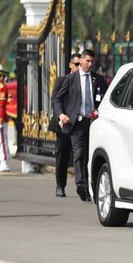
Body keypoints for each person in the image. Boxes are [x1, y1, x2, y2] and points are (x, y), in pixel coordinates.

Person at [52, 49, 108, 202]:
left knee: (91, 155)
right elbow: (57, 99)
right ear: (81, 61)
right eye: (87, 61)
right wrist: (61, 115)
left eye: (92, 61)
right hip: (75, 122)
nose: (89, 64)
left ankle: (92, 186)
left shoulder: (98, 80)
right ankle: (80, 185)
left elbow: (107, 98)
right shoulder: (70, 79)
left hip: (94, 123)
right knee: (79, 153)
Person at [49, 53, 80, 197]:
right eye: (77, 64)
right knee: (62, 154)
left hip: (80, 125)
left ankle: (83, 186)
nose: (79, 67)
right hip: (64, 123)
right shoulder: (63, 80)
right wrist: (61, 116)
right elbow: (55, 100)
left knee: (82, 155)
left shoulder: (87, 81)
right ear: (70, 65)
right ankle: (60, 185)